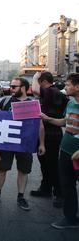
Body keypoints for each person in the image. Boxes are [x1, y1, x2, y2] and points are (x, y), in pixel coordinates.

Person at [0, 77, 46, 211]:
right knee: (2, 169)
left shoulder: (33, 104)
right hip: (6, 143)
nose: (11, 88)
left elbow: (40, 126)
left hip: (25, 144)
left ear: (24, 88)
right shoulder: (6, 101)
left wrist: (42, 144)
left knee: (23, 171)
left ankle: (21, 197)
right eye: (11, 86)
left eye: (14, 86)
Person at [41, 73, 79, 229]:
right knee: (67, 185)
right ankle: (70, 218)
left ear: (77, 87)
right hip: (65, 150)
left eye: (68, 84)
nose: (65, 87)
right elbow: (65, 122)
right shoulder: (70, 103)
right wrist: (48, 118)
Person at [31, 71, 69, 208]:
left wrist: (35, 77)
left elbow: (34, 89)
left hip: (51, 133)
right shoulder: (55, 93)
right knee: (44, 163)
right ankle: (46, 188)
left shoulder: (52, 91)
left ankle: (60, 194)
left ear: (43, 82)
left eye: (38, 81)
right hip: (45, 131)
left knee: (52, 164)